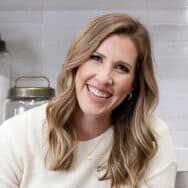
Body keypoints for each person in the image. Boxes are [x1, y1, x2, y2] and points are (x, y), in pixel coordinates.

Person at [0, 13, 177, 188]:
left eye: (121, 68)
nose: (104, 78)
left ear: (134, 84)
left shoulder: (151, 137)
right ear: (77, 64)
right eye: (96, 58)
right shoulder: (16, 135)